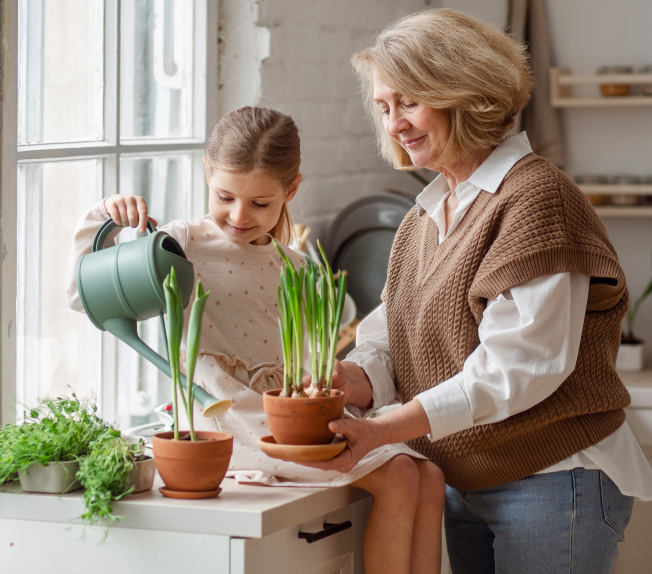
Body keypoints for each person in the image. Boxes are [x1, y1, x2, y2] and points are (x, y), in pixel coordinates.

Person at [300, 9, 652, 574]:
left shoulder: (535, 199)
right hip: (468, 481)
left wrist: (383, 429)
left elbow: (522, 365)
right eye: (384, 107)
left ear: (464, 93)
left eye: (410, 102)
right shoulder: (424, 217)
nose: (394, 124)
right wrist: (357, 378)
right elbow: (394, 337)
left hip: (552, 480)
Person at [65, 106, 444, 574]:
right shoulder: (179, 243)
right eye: (225, 196)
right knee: (402, 474)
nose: (239, 216)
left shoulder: (296, 266)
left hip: (286, 412)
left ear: (291, 190)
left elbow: (307, 362)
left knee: (430, 476)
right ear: (208, 172)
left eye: (260, 204)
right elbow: (84, 298)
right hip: (229, 415)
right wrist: (102, 219)